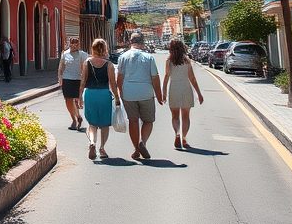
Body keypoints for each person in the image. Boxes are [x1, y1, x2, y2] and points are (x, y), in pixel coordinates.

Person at [115, 31, 163, 161]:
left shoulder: (123, 57)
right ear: (142, 43)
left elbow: (119, 78)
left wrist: (119, 93)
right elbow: (155, 78)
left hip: (128, 93)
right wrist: (159, 96)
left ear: (130, 42)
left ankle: (136, 149)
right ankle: (143, 142)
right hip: (146, 93)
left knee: (133, 121)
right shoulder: (149, 57)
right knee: (148, 120)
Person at [78, 38, 120, 160]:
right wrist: (117, 98)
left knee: (92, 124)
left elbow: (83, 81)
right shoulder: (109, 65)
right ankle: (102, 148)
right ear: (105, 49)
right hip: (104, 94)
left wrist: (80, 97)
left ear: (93, 48)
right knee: (104, 125)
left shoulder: (87, 62)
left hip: (90, 94)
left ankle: (92, 143)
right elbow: (113, 83)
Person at [163, 39, 204, 149]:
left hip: (174, 89)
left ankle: (177, 133)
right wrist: (199, 94)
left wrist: (163, 92)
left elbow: (166, 77)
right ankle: (184, 138)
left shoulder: (169, 61)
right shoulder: (187, 61)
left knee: (175, 116)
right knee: (186, 116)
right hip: (186, 88)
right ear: (182, 48)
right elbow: (192, 78)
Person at [57, 37, 87, 131]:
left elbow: (85, 68)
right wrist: (60, 78)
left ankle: (78, 116)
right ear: (69, 44)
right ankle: (74, 119)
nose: (75, 46)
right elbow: (61, 67)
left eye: (77, 44)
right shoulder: (65, 54)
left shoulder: (82, 54)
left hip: (78, 79)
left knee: (76, 101)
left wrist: (84, 80)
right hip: (67, 79)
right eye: (73, 44)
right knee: (68, 101)